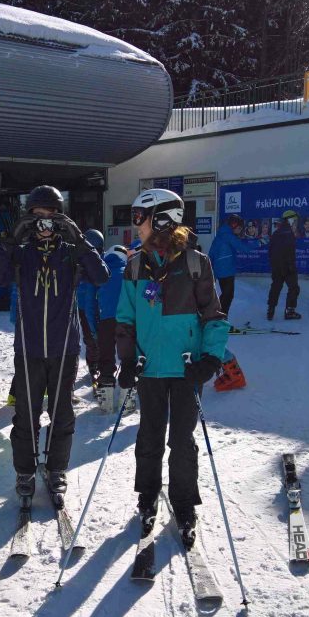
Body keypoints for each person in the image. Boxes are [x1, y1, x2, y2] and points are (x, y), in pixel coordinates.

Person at [115, 188, 229, 543]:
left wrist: (210, 359)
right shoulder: (135, 265)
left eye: (140, 217)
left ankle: (183, 503)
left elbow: (214, 316)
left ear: (163, 219)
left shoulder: (196, 263)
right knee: (149, 437)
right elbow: (125, 317)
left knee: (181, 441)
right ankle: (147, 497)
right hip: (149, 367)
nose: (135, 225)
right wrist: (127, 359)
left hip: (185, 369)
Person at [0, 185, 109, 503]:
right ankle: (25, 471)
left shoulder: (70, 253)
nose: (44, 225)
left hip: (64, 347)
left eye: (51, 217)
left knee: (62, 413)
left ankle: (56, 469)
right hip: (29, 349)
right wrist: (10, 241)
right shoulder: (22, 254)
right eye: (37, 217)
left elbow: (101, 277)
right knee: (26, 414)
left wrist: (80, 240)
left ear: (61, 218)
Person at [95, 244, 129, 412]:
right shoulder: (129, 273)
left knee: (106, 358)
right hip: (127, 321)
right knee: (128, 358)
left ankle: (105, 400)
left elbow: (90, 302)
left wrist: (94, 327)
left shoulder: (100, 273)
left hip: (105, 321)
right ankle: (127, 398)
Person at [77, 229, 103, 389]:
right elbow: (88, 302)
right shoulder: (88, 268)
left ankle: (94, 363)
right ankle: (94, 366)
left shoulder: (86, 264)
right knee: (92, 337)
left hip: (87, 307)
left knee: (92, 337)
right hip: (87, 308)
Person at [208, 214, 244, 317]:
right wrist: (259, 242)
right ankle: (221, 318)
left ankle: (218, 316)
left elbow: (211, 254)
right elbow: (243, 248)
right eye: (239, 228)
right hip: (227, 271)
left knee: (225, 296)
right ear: (234, 225)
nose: (240, 231)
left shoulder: (220, 235)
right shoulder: (228, 236)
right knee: (228, 296)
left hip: (219, 271)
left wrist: (211, 271)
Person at [267, 209, 301, 320]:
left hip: (276, 266)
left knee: (276, 287)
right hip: (288, 266)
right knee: (294, 288)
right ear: (290, 220)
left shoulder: (276, 233)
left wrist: (275, 264)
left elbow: (270, 251)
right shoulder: (288, 233)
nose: (295, 223)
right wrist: (290, 266)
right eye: (294, 220)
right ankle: (290, 311)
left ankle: (270, 310)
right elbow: (289, 251)